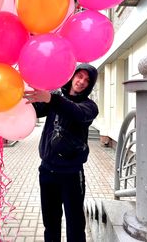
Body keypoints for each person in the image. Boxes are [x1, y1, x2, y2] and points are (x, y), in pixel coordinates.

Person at [24, 63, 98, 242]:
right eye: (79, 76)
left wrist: (51, 98)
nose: (81, 82)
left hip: (71, 174)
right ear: (72, 76)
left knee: (75, 225)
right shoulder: (56, 97)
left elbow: (76, 113)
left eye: (87, 80)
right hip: (47, 172)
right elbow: (34, 109)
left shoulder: (89, 106)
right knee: (50, 223)